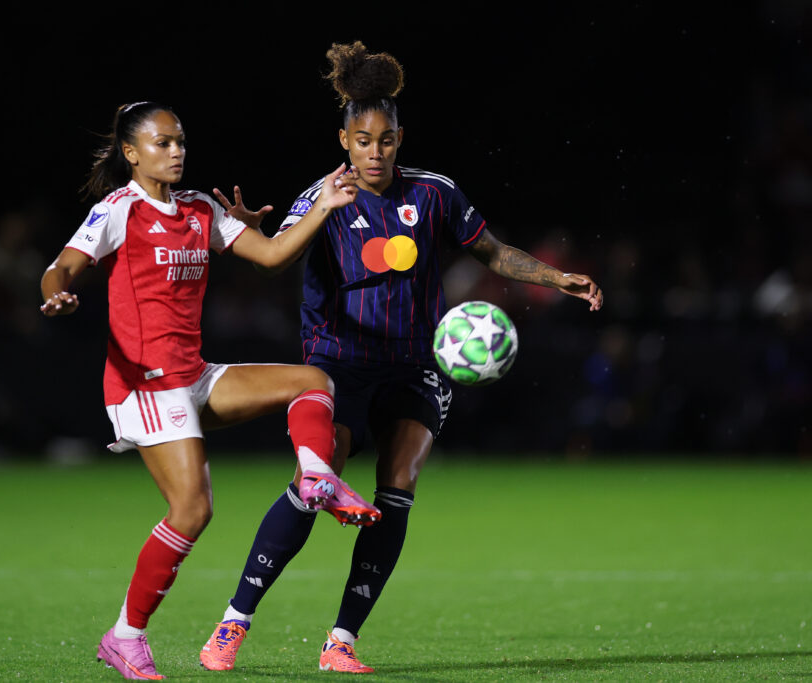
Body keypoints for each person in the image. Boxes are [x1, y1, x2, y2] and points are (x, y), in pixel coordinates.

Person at [199, 42, 604, 674]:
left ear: (400, 138)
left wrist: (556, 278)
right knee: (315, 483)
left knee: (398, 490)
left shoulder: (435, 193)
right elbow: (275, 257)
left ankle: (342, 640)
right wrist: (251, 231)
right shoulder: (325, 196)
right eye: (363, 140)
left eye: (386, 140)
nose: (376, 153)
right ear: (344, 139)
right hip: (337, 364)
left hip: (416, 364)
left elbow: (492, 251)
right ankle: (234, 621)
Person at [40, 101, 383, 681]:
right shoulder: (119, 210)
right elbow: (62, 265)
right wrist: (58, 291)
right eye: (161, 143)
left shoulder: (199, 209)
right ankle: (124, 637)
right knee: (193, 509)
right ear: (131, 153)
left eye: (180, 142)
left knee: (312, 381)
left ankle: (315, 474)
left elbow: (273, 256)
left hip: (193, 377)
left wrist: (323, 204)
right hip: (143, 386)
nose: (176, 152)